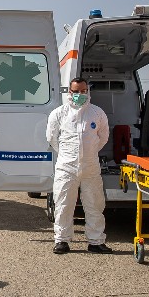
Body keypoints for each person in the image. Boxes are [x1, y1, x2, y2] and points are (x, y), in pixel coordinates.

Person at [46, 77, 112, 254]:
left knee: (95, 205)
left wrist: (88, 153)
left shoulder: (97, 113)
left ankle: (96, 241)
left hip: (90, 167)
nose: (79, 95)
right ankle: (62, 241)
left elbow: (103, 137)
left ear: (87, 91)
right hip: (66, 167)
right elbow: (52, 138)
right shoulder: (59, 114)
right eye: (76, 91)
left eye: (83, 91)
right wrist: (68, 155)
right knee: (63, 204)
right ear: (70, 92)